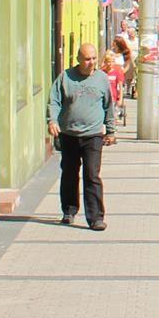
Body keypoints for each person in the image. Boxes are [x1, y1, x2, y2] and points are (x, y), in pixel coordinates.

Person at [48, 43, 118, 230]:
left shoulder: (102, 79)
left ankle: (95, 217)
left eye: (94, 58)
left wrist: (111, 131)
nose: (91, 62)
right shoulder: (65, 78)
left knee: (92, 175)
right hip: (69, 134)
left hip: (93, 135)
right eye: (87, 59)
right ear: (78, 59)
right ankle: (69, 211)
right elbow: (54, 101)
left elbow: (109, 106)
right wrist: (52, 120)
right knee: (69, 173)